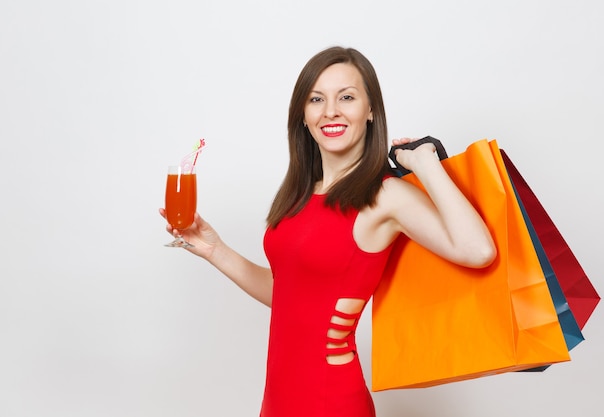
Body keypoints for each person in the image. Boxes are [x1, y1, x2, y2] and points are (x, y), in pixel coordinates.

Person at [161, 46, 496, 417]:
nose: (330, 111)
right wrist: (214, 250)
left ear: (370, 111)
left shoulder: (384, 195)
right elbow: (291, 296)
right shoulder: (301, 193)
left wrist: (426, 163)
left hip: (331, 401)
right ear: (303, 116)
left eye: (347, 97)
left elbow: (478, 251)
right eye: (316, 99)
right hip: (278, 401)